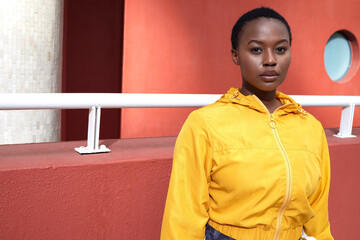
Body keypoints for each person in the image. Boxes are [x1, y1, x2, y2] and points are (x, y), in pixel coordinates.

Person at [161, 7, 333, 240]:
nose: (270, 60)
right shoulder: (205, 124)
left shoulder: (310, 128)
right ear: (236, 55)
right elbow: (182, 218)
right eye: (256, 50)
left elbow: (318, 220)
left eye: (280, 49)